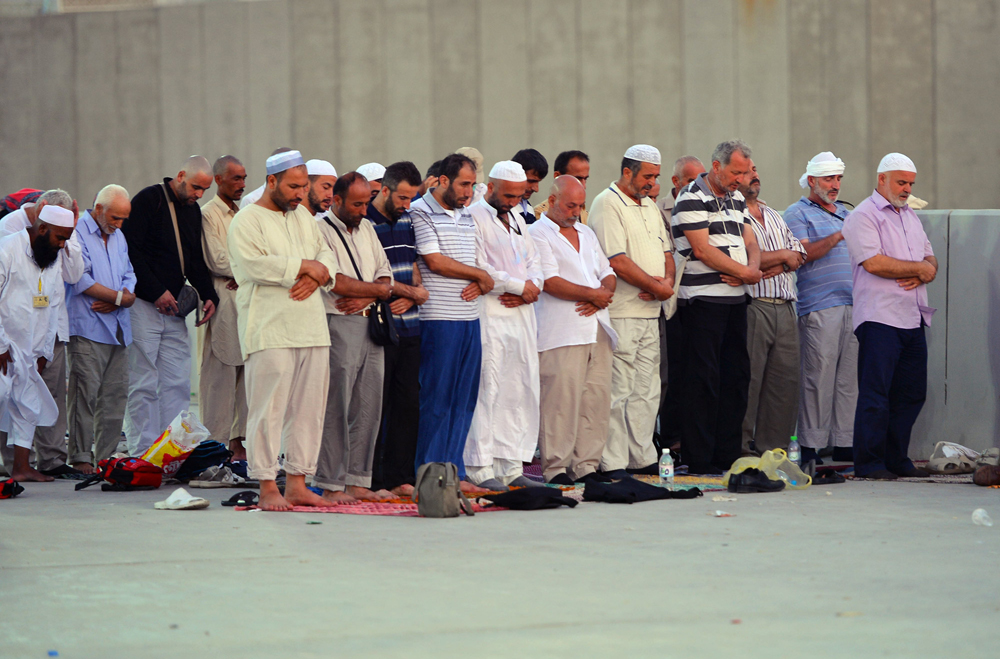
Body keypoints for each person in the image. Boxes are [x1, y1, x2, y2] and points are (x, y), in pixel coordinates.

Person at [227, 150, 339, 511]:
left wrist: (316, 273)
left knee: (309, 410)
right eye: (293, 186)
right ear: (271, 181)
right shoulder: (247, 220)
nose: (299, 193)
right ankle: (266, 485)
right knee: (267, 410)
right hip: (270, 329)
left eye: (304, 187)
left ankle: (297, 482)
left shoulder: (304, 218)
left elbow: (328, 256)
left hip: (311, 328)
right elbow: (255, 265)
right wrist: (305, 267)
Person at [842, 153, 936, 480]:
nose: (907, 188)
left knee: (911, 393)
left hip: (913, 317)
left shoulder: (910, 216)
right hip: (880, 318)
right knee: (875, 394)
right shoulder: (863, 216)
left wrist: (925, 270)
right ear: (881, 179)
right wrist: (920, 269)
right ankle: (869, 463)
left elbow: (930, 259)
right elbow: (874, 263)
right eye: (901, 182)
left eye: (910, 183)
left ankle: (897, 459)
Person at [672, 140, 762, 474]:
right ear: (716, 166)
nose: (741, 178)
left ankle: (727, 454)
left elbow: (751, 240)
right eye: (735, 171)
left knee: (736, 379)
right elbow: (703, 250)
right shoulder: (691, 197)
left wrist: (749, 271)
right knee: (702, 381)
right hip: (702, 303)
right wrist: (746, 273)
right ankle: (700, 458)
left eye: (744, 171)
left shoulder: (737, 198)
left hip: (736, 301)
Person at [121, 156, 218, 456]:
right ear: (180, 176)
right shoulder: (149, 200)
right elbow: (131, 251)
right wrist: (155, 290)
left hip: (174, 309)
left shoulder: (192, 211)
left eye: (204, 190)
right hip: (143, 305)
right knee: (143, 381)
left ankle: (173, 453)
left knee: (177, 382)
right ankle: (143, 453)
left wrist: (208, 294)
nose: (199, 195)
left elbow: (194, 259)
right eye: (196, 187)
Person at [589, 145, 674, 477]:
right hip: (623, 313)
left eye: (656, 176)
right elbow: (617, 260)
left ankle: (643, 457)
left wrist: (665, 283)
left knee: (647, 389)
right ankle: (613, 461)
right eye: (647, 176)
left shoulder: (651, 205)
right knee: (619, 389)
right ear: (627, 172)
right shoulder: (607, 203)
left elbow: (667, 252)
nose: (653, 183)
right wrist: (658, 288)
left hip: (651, 314)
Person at [410, 153, 493, 492]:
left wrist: (480, 278)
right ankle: (429, 476)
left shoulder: (465, 215)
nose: (469, 192)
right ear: (442, 181)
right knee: (437, 399)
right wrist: (478, 275)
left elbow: (472, 259)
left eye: (472, 185)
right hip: (438, 320)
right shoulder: (419, 212)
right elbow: (436, 261)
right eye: (463, 184)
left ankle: (454, 472)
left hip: (469, 320)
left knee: (463, 399)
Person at [529, 176, 617, 484]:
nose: (576, 212)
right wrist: (593, 295)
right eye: (570, 205)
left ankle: (587, 467)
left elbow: (607, 272)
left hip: (597, 328)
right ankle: (556, 468)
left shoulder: (586, 232)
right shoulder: (537, 233)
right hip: (560, 331)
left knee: (595, 400)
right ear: (551, 201)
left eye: (580, 205)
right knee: (559, 403)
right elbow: (549, 281)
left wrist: (602, 293)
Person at [313, 172, 394, 503]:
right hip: (339, 322)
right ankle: (331, 483)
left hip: (370, 323)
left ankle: (359, 480)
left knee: (369, 405)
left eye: (367, 203)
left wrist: (371, 296)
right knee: (337, 404)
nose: (364, 210)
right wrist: (376, 292)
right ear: (337, 200)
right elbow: (338, 282)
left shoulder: (369, 230)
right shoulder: (319, 229)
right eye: (357, 204)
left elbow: (385, 275)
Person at [464, 160, 544, 490]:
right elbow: (477, 266)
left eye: (517, 196)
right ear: (492, 188)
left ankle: (510, 465)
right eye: (508, 195)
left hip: (521, 316)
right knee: (488, 388)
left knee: (518, 387)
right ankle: (480, 467)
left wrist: (532, 288)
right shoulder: (474, 216)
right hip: (490, 314)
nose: (513, 201)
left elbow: (533, 260)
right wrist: (516, 286)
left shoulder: (517, 219)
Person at [0, 189, 84, 479]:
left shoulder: (51, 258)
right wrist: (0, 346)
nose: (62, 245)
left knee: (28, 405)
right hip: (4, 345)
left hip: (32, 348)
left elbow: (54, 306)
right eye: (60, 238)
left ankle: (22, 468)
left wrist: (44, 353)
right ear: (43, 228)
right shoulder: (7, 249)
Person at [783, 152, 857, 464]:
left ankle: (844, 443)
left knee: (848, 379)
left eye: (838, 178)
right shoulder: (797, 213)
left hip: (854, 303)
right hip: (819, 305)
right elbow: (802, 252)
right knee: (818, 375)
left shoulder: (846, 212)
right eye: (828, 178)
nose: (835, 184)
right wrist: (841, 233)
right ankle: (811, 444)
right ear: (812, 181)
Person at [66, 185, 136, 474]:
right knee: (85, 394)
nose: (119, 225)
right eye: (115, 218)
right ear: (98, 210)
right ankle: (81, 457)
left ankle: (106, 458)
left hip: (118, 327)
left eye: (123, 220)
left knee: (115, 396)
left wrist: (122, 298)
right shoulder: (76, 232)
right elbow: (79, 278)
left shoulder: (118, 236)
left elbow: (129, 273)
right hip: (88, 327)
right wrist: (118, 298)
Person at [368, 162, 428, 496]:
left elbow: (414, 265)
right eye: (403, 197)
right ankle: (373, 480)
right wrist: (409, 293)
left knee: (408, 404)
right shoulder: (365, 223)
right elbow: (370, 275)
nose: (407, 204)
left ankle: (400, 476)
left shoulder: (407, 220)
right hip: (381, 327)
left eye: (412, 197)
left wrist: (413, 295)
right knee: (378, 405)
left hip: (411, 326)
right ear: (385, 189)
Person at [739, 160, 806, 455]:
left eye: (755, 169)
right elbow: (744, 260)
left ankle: (774, 450)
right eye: (747, 172)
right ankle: (741, 447)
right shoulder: (733, 216)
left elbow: (800, 253)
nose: (755, 175)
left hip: (786, 307)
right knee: (749, 381)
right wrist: (782, 258)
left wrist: (772, 260)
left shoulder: (773, 215)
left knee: (784, 384)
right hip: (756, 306)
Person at [199, 155, 249, 460]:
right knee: (220, 378)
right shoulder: (209, 214)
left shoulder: (243, 215)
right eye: (236, 179)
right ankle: (212, 449)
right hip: (224, 302)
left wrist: (243, 273)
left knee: (247, 378)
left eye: (244, 178)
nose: (242, 184)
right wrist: (248, 271)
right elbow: (217, 261)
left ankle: (238, 445)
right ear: (219, 180)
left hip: (246, 301)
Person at [656, 156, 706, 456]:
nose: (695, 186)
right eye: (689, 180)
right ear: (675, 182)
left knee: (695, 371)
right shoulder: (656, 208)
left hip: (699, 298)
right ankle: (670, 435)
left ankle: (691, 436)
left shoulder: (707, 203)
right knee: (670, 371)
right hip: (669, 300)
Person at [533, 150, 591, 224]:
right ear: (558, 176)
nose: (583, 186)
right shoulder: (541, 214)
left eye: (585, 179)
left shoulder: (585, 215)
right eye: (577, 179)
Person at [511, 148, 548, 224]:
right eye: (531, 181)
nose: (536, 189)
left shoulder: (529, 208)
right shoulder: (501, 209)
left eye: (538, 182)